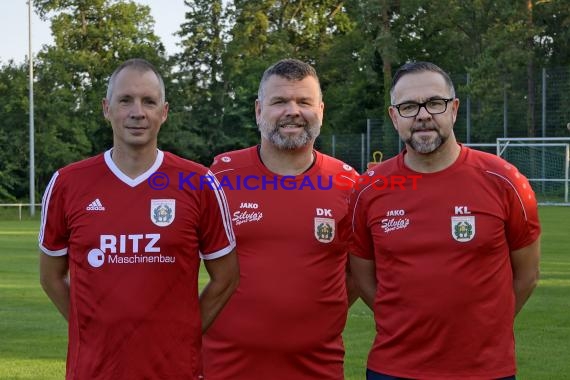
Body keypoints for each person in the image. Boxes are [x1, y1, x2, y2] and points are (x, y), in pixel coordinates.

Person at [38, 58, 239, 379]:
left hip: (175, 370)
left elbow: (227, 278)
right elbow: (50, 277)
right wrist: (90, 328)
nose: (137, 112)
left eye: (149, 101)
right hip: (92, 371)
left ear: (164, 112)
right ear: (106, 108)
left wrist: (181, 335)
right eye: (125, 100)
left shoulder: (199, 182)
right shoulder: (66, 183)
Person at [350, 61, 541, 380]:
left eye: (434, 103)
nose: (423, 115)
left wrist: (486, 328)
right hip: (394, 368)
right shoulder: (368, 190)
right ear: (394, 117)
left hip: (485, 370)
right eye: (409, 106)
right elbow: (365, 280)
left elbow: (527, 275)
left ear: (453, 109)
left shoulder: (504, 181)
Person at [202, 58, 359, 380]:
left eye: (304, 101)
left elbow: (359, 273)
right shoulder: (219, 176)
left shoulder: (349, 184)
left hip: (318, 369)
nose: (293, 111)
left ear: (321, 110)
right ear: (259, 110)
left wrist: (316, 317)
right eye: (279, 102)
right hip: (225, 368)